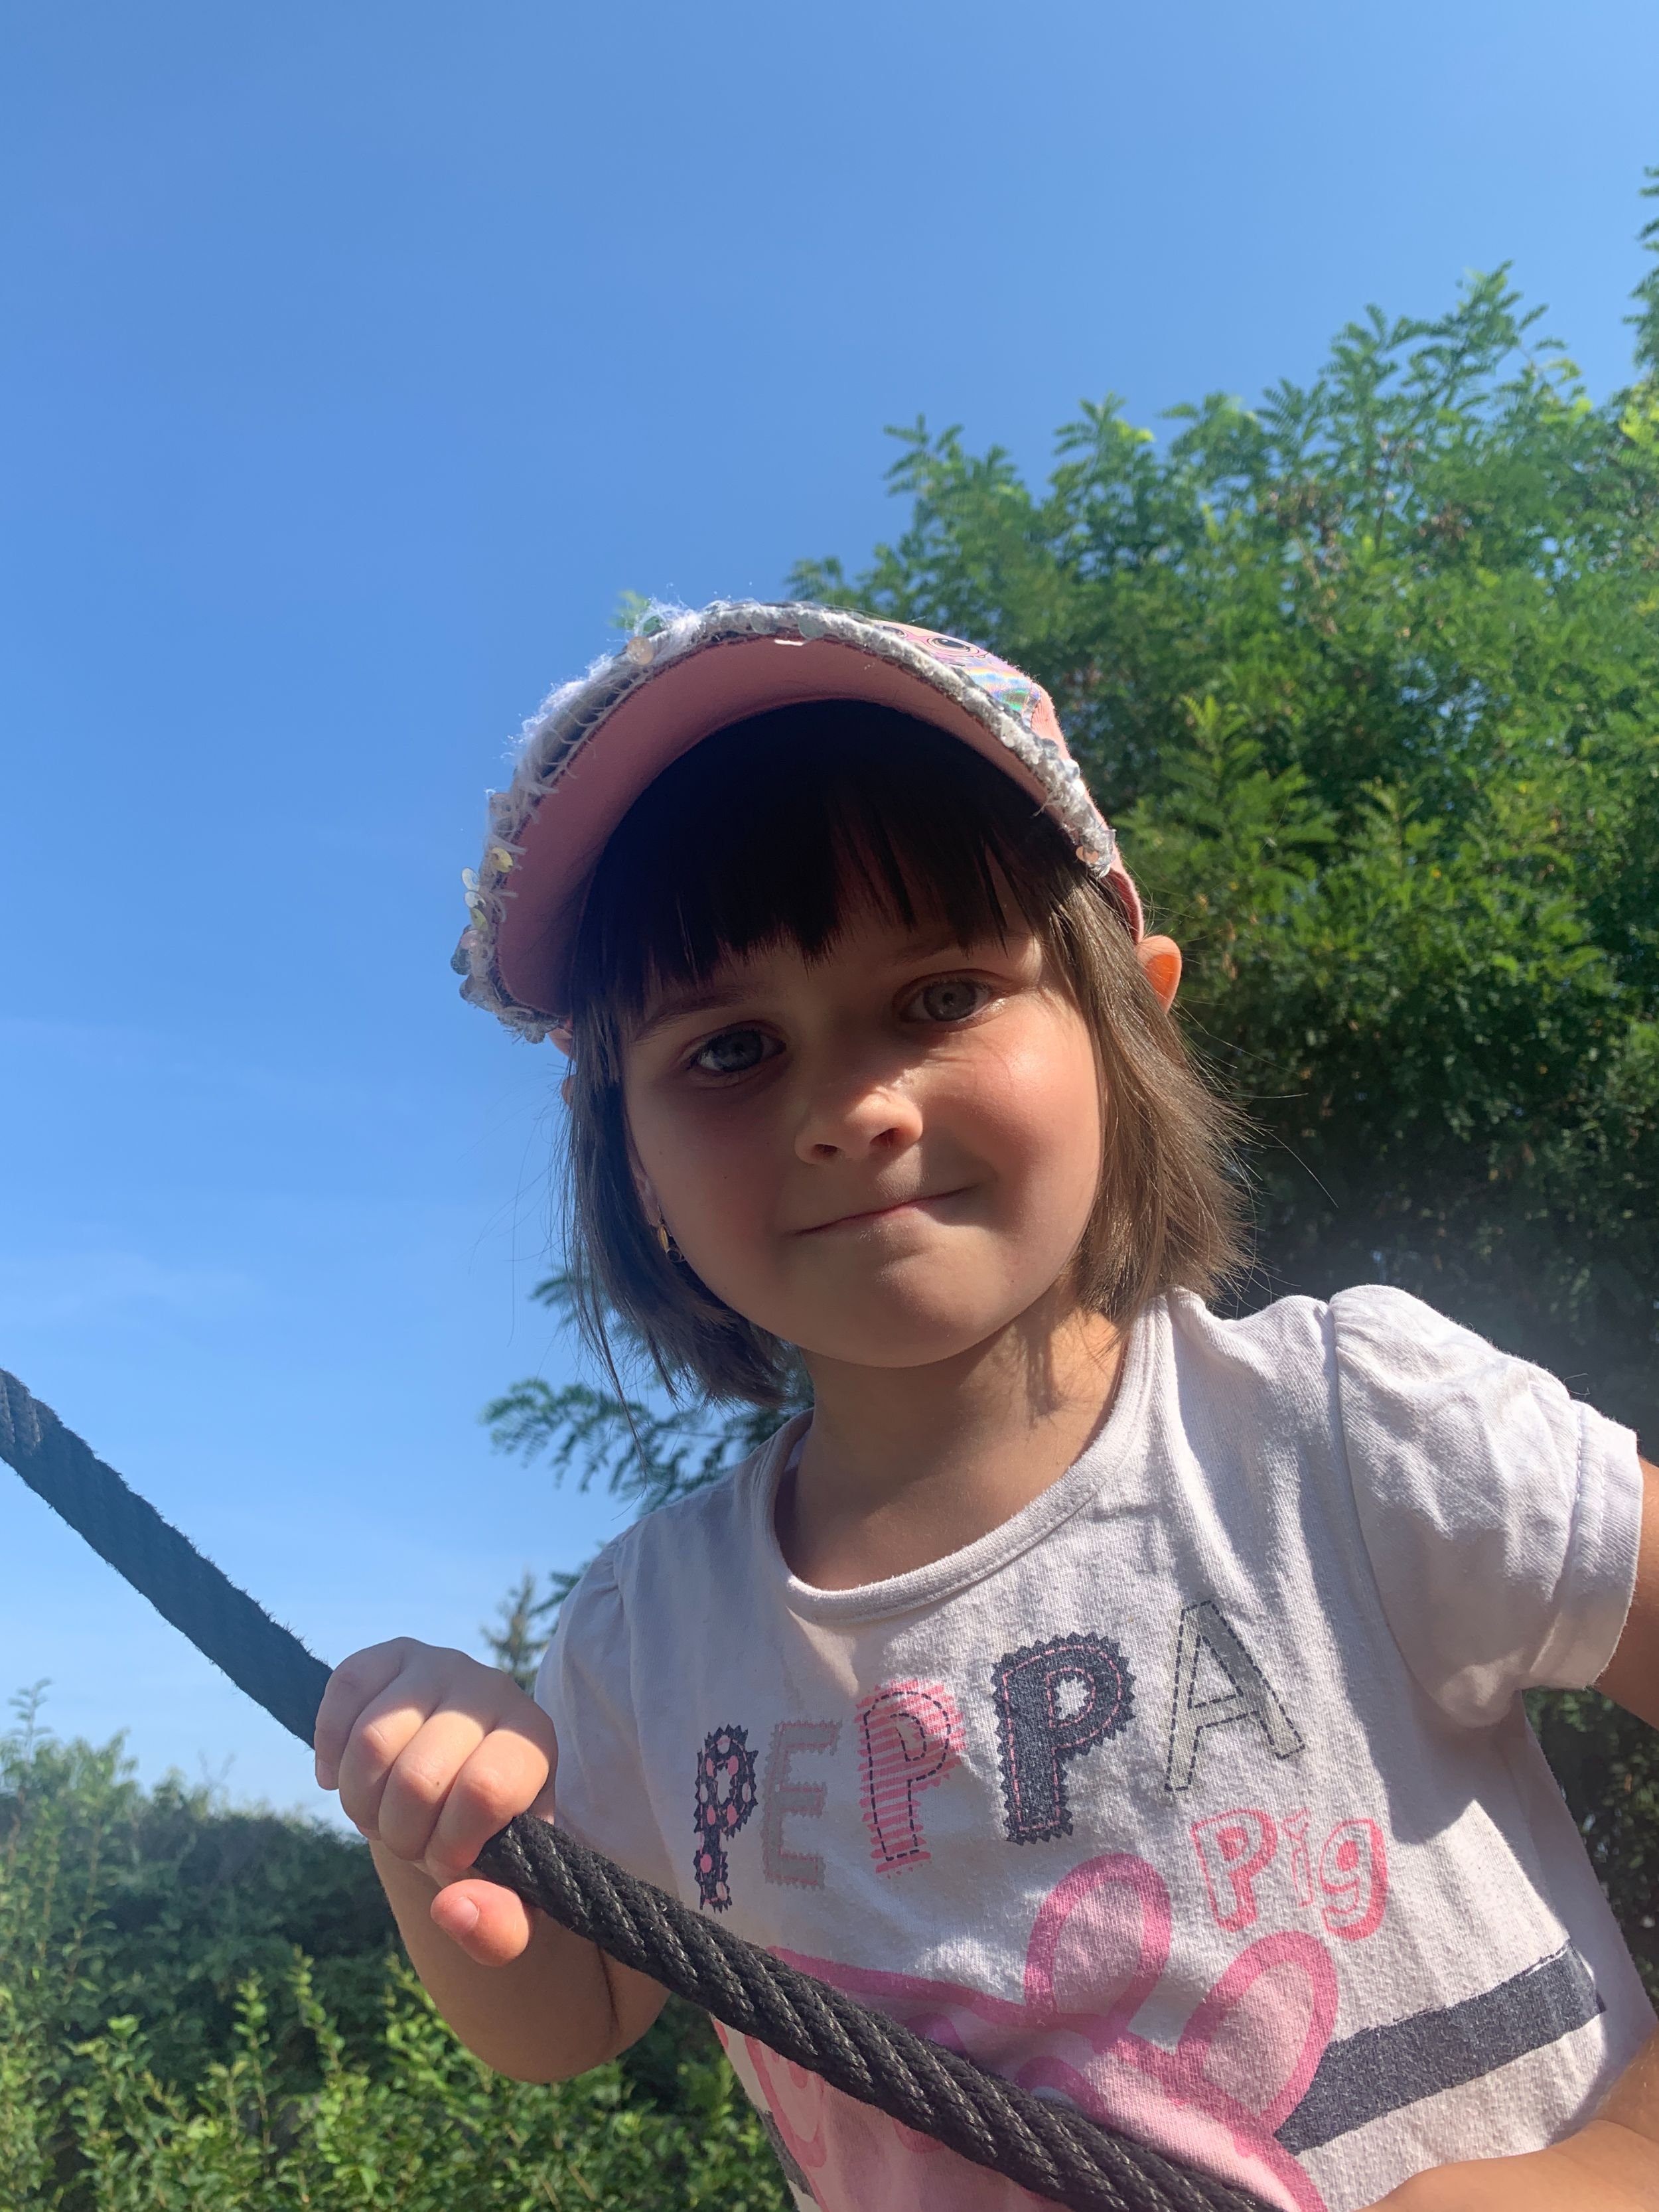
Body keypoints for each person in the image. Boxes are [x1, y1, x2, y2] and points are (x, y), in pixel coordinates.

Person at [314, 602, 1659, 2212]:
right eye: (729, 1049)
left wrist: (1627, 2157)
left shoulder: (1341, 1428)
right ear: (631, 1163)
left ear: (1127, 1014)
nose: (848, 1107)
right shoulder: (640, 1632)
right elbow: (569, 2010)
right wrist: (434, 1816)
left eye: (939, 994)